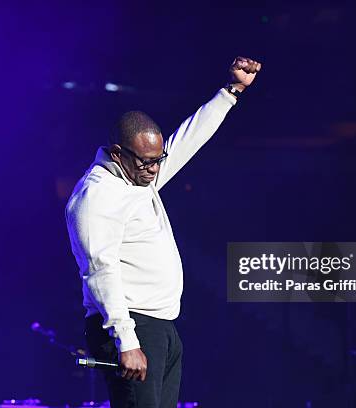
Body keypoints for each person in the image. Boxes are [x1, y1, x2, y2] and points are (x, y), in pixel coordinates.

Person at [65, 56, 262, 407]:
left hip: (161, 325)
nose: (156, 168)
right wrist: (127, 341)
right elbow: (99, 269)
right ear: (117, 153)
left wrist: (231, 92)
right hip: (132, 328)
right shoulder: (96, 196)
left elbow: (188, 140)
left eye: (159, 159)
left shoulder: (138, 176)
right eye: (148, 161)